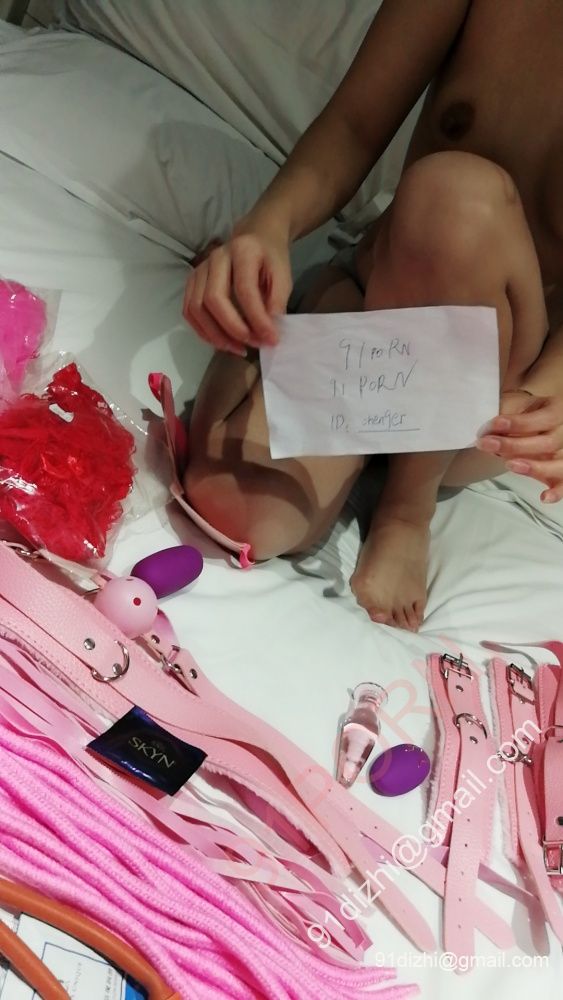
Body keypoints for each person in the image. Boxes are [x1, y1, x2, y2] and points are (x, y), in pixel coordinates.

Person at [181, 0, 563, 632]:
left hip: (494, 395)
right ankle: (261, 334)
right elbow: (354, 124)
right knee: (238, 512)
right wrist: (266, 228)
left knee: (461, 203)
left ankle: (407, 508)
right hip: (374, 323)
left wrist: (551, 396)